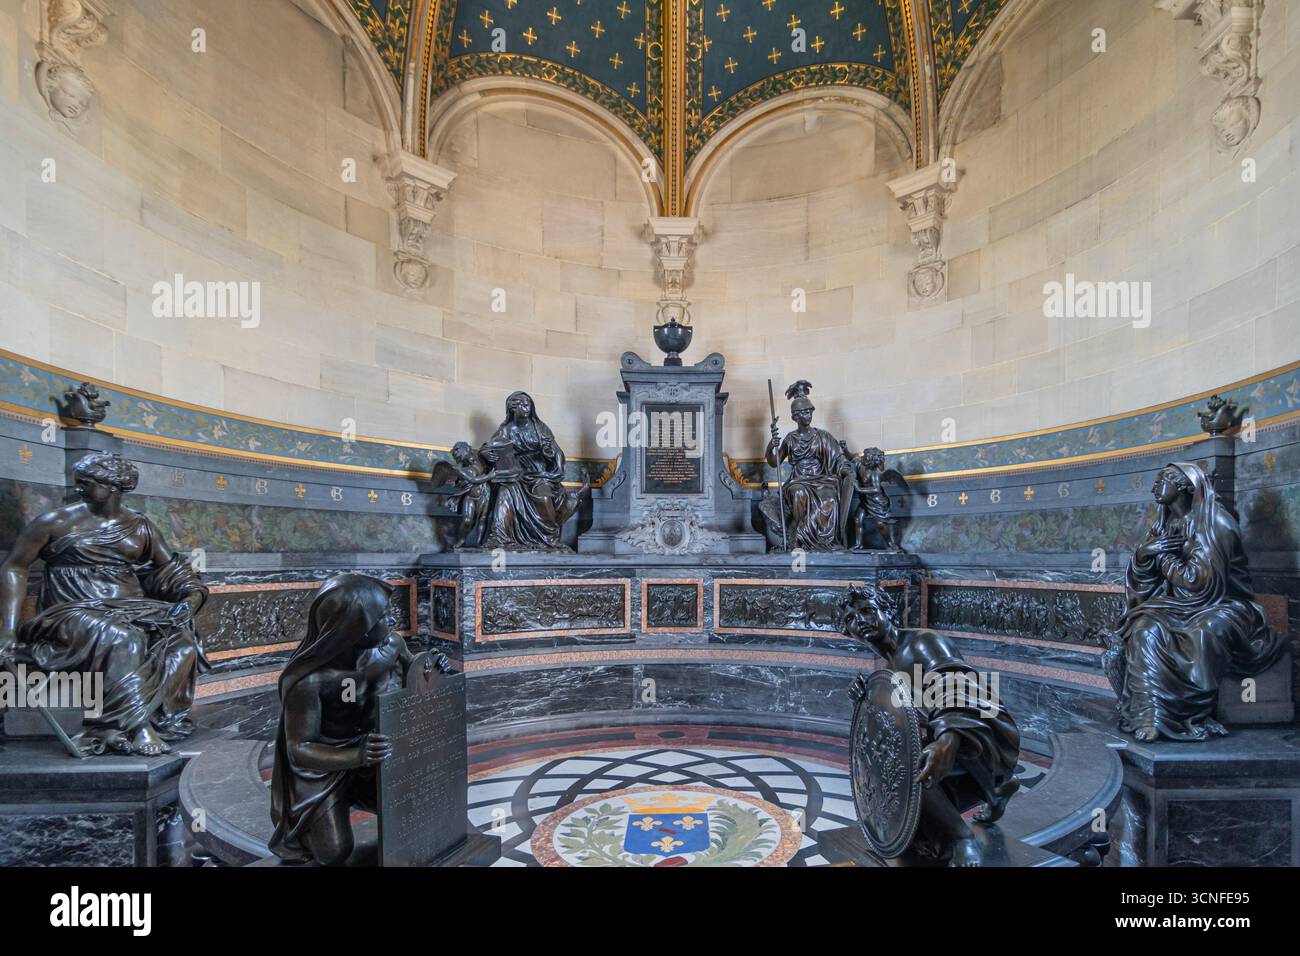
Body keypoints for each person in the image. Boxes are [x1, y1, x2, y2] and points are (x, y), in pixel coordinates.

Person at [0, 452, 207, 756]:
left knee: (181, 643)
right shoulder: (53, 522)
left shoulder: (140, 526)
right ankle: (138, 727)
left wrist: (190, 598)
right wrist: (7, 630)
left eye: (87, 482)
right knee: (124, 638)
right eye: (78, 482)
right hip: (71, 610)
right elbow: (14, 567)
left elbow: (170, 570)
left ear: (113, 487)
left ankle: (128, 722)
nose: (79, 488)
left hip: (132, 606)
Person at [840, 586, 1021, 866]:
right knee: (888, 758)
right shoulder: (890, 661)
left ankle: (963, 837)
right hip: (950, 730)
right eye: (851, 618)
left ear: (888, 612)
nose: (860, 621)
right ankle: (994, 791)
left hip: (983, 731)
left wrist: (946, 741)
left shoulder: (922, 644)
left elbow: (958, 690)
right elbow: (902, 717)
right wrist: (866, 698)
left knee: (909, 766)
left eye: (867, 611)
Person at [1104, 463, 1285, 742]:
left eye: (1163, 479)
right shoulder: (1164, 525)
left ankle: (1189, 714)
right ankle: (1150, 714)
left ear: (1185, 485)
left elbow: (1199, 582)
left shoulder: (1216, 524)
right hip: (1177, 606)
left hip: (1225, 605)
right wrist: (1143, 555)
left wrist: (1161, 557)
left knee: (1200, 635)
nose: (1155, 485)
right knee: (1144, 630)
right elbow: (1146, 581)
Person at [269, 574, 411, 866]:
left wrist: (436, 665)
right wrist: (354, 756)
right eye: (381, 617)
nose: (391, 621)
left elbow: (419, 674)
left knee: (416, 809)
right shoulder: (310, 681)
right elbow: (300, 748)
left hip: (373, 753)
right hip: (325, 766)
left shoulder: (391, 646)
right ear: (353, 630)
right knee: (333, 853)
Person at [477, 391, 587, 550]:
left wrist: (552, 461)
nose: (526, 406)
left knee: (543, 497)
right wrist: (484, 452)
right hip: (515, 475)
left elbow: (556, 451)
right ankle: (499, 538)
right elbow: (490, 447)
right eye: (522, 404)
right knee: (504, 495)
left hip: (538, 473)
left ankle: (548, 538)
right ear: (513, 408)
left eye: (528, 403)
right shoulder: (506, 429)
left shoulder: (539, 427)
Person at [758, 380, 853, 551]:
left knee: (830, 495)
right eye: (803, 413)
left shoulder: (823, 436)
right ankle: (802, 539)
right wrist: (771, 446)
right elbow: (774, 463)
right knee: (799, 492)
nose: (807, 416)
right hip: (798, 480)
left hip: (822, 478)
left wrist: (844, 466)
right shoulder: (790, 438)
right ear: (795, 416)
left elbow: (838, 457)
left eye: (809, 412)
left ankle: (825, 542)